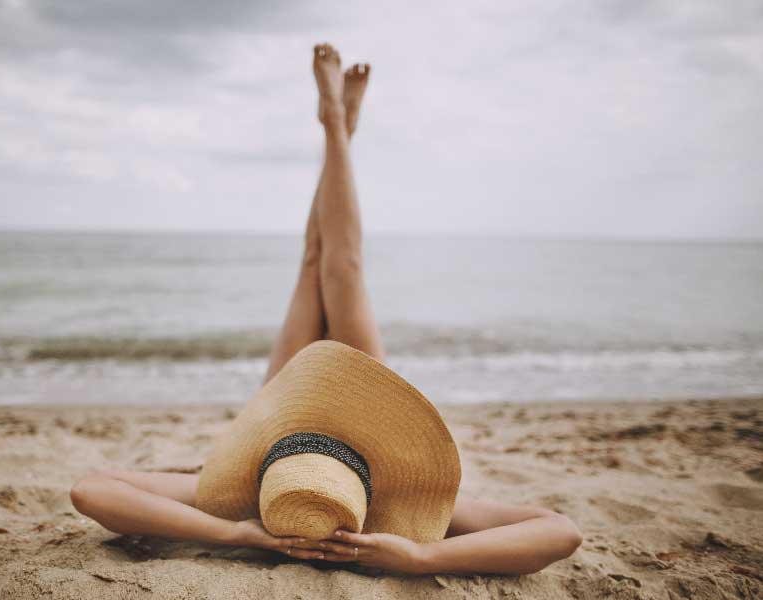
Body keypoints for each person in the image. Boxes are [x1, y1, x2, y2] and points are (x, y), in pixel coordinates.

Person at [70, 43, 582, 576]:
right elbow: (560, 531)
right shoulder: (393, 504)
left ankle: (336, 124)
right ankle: (338, 126)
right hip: (366, 419)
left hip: (283, 426)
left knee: (315, 261)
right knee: (344, 269)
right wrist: (422, 554)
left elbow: (92, 490)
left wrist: (233, 531)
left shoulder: (239, 497)